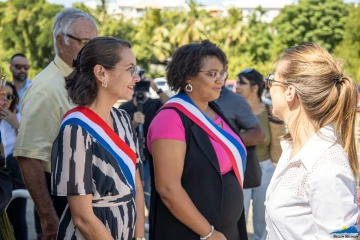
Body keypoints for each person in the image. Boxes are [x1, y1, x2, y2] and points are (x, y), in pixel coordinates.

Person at [148, 40, 253, 240]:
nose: (220, 80)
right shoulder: (170, 118)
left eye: (222, 73)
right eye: (212, 74)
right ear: (189, 76)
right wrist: (209, 233)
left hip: (227, 230)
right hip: (191, 232)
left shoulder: (213, 109)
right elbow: (168, 188)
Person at [14, 8, 98, 240]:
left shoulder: (81, 79)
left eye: (95, 43)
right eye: (85, 42)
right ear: (61, 41)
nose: (92, 50)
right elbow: (29, 157)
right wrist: (48, 217)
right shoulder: (46, 89)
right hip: (63, 199)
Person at [51, 36, 145, 240]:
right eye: (130, 69)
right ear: (101, 72)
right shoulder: (75, 128)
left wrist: (139, 237)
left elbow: (136, 185)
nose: (136, 77)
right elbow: (82, 217)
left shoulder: (123, 119)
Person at [265, 43, 359, 239]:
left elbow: (342, 237)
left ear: (289, 92)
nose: (269, 86)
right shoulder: (294, 148)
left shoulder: (327, 167)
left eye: (272, 79)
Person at [236, 68, 284, 240]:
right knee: (238, 219)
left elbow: (278, 141)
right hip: (240, 169)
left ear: (255, 87)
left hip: (265, 169)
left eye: (242, 83)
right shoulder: (233, 107)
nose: (237, 86)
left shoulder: (269, 109)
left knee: (262, 222)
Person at [119, 69, 169, 211]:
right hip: (131, 157)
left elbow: (172, 106)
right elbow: (118, 135)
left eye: (142, 83)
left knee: (149, 192)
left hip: (150, 156)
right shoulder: (124, 107)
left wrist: (155, 87)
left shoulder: (155, 104)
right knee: (135, 192)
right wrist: (133, 123)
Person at [0, 83, 27, 239]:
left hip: (14, 174)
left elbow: (27, 144)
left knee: (18, 219)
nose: (5, 100)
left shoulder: (17, 117)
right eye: (1, 95)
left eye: (9, 96)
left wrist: (16, 124)